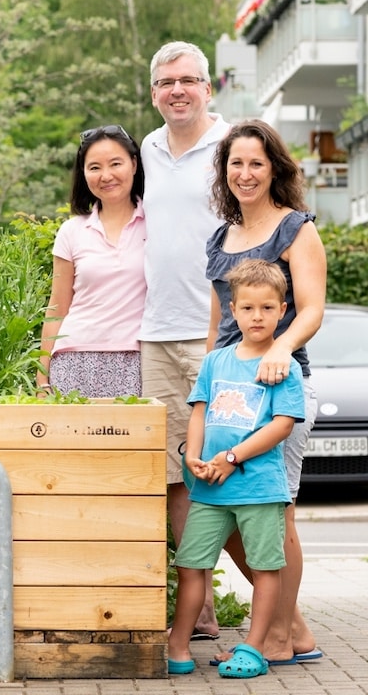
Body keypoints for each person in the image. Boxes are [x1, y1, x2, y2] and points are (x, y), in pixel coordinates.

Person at [206, 120, 326, 665]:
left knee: (277, 515)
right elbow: (217, 326)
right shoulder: (220, 237)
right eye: (236, 163)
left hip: (279, 386)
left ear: (274, 167)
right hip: (228, 393)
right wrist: (203, 390)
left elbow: (313, 308)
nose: (246, 173)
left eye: (256, 163)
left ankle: (277, 637)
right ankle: (291, 624)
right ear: (224, 171)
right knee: (227, 509)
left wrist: (281, 347)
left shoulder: (296, 229)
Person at [167, 258, 305, 678]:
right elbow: (199, 412)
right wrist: (193, 455)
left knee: (264, 569)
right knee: (192, 566)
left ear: (282, 311)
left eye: (267, 308)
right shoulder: (215, 362)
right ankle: (177, 647)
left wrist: (231, 458)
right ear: (232, 309)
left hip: (259, 489)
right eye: (247, 308)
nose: (257, 316)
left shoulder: (285, 367)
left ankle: (253, 647)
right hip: (209, 489)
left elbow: (281, 425)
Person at [139, 41, 231, 639]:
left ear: (207, 87)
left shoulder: (235, 146)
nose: (178, 90)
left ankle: (280, 615)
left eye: (188, 81)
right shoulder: (144, 148)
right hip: (154, 334)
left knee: (228, 472)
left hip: (215, 337)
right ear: (153, 92)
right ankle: (200, 608)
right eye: (167, 82)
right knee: (174, 476)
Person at [38, 124, 146, 397]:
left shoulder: (157, 224)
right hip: (73, 360)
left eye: (115, 164)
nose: (106, 175)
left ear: (134, 164)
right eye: (94, 167)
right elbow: (57, 307)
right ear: (83, 173)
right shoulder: (72, 231)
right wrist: (42, 378)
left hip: (136, 361)